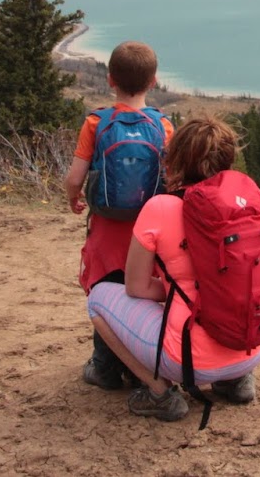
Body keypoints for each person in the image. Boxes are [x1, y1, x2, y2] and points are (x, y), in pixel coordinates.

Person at [87, 115, 260, 422]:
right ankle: (235, 380)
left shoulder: (161, 207)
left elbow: (136, 287)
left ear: (177, 158)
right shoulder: (248, 200)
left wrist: (178, 288)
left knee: (97, 299)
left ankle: (159, 392)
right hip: (252, 347)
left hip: (187, 360)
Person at [64, 41, 173, 391]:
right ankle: (146, 366)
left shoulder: (96, 123)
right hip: (150, 232)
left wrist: (73, 199)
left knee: (106, 292)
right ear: (153, 81)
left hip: (107, 230)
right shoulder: (164, 126)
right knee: (145, 295)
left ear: (110, 79)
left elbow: (75, 178)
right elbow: (173, 182)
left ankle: (106, 368)